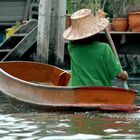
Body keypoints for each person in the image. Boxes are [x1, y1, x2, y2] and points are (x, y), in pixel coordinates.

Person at [63, 9, 128, 87]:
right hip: (99, 91)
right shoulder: (104, 49)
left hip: (76, 91)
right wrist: (124, 75)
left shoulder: (72, 48)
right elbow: (118, 74)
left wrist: (97, 19)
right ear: (95, 31)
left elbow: (71, 38)